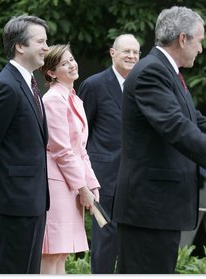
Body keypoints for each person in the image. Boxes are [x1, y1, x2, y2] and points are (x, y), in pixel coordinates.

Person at [113, 6, 206, 274]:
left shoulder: (166, 71)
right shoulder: (152, 72)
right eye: (199, 41)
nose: (201, 49)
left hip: (158, 208)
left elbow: (194, 120)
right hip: (149, 208)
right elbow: (176, 128)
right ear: (182, 39)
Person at [0, 15, 50, 274]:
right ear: (20, 46)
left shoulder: (28, 83)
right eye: (40, 41)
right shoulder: (5, 86)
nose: (46, 47)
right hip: (13, 199)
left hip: (31, 199)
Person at [77, 34, 141, 274]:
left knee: (133, 244)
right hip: (105, 178)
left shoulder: (143, 84)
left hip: (137, 179)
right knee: (105, 245)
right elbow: (80, 134)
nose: (131, 56)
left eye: (136, 52)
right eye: (126, 51)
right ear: (112, 53)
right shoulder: (94, 85)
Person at [39, 44, 100, 274]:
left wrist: (92, 185)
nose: (72, 65)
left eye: (72, 59)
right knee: (52, 253)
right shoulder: (53, 99)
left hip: (71, 184)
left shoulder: (74, 99)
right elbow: (61, 150)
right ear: (51, 72)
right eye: (64, 63)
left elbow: (81, 150)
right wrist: (82, 187)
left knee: (62, 253)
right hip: (56, 184)